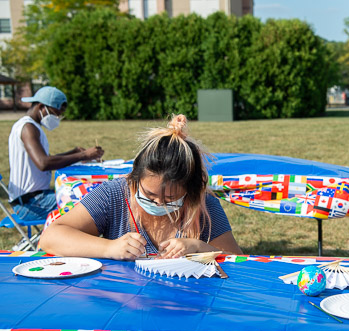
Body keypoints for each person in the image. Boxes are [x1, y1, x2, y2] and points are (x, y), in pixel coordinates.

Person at [40, 113, 242, 261]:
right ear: (133, 179)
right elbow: (51, 237)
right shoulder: (113, 194)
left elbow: (239, 261)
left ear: (190, 190)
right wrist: (110, 248)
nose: (159, 203)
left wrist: (200, 247)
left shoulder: (203, 205)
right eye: (149, 194)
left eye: (171, 199)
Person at [8, 86, 104, 221]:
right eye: (56, 114)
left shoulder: (32, 126)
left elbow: (45, 159)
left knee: (86, 194)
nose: (58, 118)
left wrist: (74, 152)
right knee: (89, 202)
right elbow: (43, 163)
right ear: (42, 107)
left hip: (36, 198)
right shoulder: (27, 127)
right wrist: (84, 155)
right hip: (30, 204)